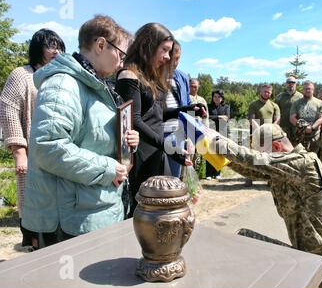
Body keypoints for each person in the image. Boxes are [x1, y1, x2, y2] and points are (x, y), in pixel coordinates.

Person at [21, 15, 139, 248]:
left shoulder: (94, 84)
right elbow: (48, 147)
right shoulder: (64, 84)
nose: (122, 63)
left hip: (90, 212)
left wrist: (124, 140)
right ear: (101, 45)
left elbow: (90, 137)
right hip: (70, 223)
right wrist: (107, 168)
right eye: (121, 54)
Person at [205, 123, 322, 288]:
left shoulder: (304, 163)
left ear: (277, 146)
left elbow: (259, 161)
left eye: (262, 151)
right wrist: (211, 149)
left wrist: (218, 142)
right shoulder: (282, 169)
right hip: (301, 256)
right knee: (244, 238)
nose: (261, 155)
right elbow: (251, 169)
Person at [115, 22, 196, 217]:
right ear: (148, 45)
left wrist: (184, 110)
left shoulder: (149, 76)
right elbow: (135, 121)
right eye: (165, 51)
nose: (168, 57)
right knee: (143, 211)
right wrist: (169, 147)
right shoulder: (129, 75)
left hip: (157, 151)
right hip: (141, 154)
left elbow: (154, 115)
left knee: (161, 209)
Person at [0, 29, 65, 249]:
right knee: (34, 213)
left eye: (59, 46)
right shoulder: (22, 75)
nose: (56, 51)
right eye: (50, 46)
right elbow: (8, 109)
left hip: (58, 157)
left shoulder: (61, 78)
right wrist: (19, 152)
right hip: (33, 157)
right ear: (38, 49)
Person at [164, 40, 193, 178]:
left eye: (178, 58)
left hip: (178, 134)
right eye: (172, 58)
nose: (175, 62)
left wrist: (191, 137)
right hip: (157, 134)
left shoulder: (183, 77)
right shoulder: (151, 76)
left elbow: (188, 106)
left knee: (175, 179)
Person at [245, 84, 280, 186]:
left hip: (270, 136)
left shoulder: (274, 106)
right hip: (256, 134)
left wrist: (271, 131)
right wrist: (260, 131)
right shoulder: (253, 105)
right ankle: (250, 178)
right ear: (261, 92)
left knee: (270, 158)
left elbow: (277, 119)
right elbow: (251, 119)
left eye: (269, 92)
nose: (267, 93)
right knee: (253, 156)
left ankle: (270, 179)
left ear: (271, 93)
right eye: (265, 91)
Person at [290, 80, 322, 153]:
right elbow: (292, 118)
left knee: (313, 158)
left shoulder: (320, 103)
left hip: (314, 136)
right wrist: (303, 127)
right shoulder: (296, 103)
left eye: (309, 88)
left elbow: (321, 118)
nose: (307, 90)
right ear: (302, 90)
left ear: (313, 90)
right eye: (305, 89)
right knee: (299, 158)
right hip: (300, 136)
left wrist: (312, 128)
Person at [206, 89, 230, 180]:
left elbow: (227, 118)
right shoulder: (208, 106)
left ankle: (217, 173)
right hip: (210, 132)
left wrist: (214, 118)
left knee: (220, 153)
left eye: (219, 97)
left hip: (222, 133)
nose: (216, 98)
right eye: (215, 96)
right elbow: (207, 117)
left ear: (222, 98)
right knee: (210, 152)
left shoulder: (226, 107)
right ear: (212, 97)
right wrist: (219, 116)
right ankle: (208, 174)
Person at [189, 78, 209, 179]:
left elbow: (206, 117)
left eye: (195, 86)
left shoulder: (202, 100)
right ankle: (187, 176)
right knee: (189, 154)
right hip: (188, 130)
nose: (193, 88)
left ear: (198, 87)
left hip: (200, 130)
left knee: (199, 155)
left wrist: (206, 130)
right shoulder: (185, 98)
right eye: (192, 86)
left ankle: (197, 176)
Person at [276, 76, 303, 145]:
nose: (290, 84)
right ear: (286, 84)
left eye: (293, 82)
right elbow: (275, 111)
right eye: (288, 82)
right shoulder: (280, 96)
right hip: (283, 126)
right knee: (283, 146)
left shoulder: (301, 97)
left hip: (296, 127)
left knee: (296, 146)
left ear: (296, 84)